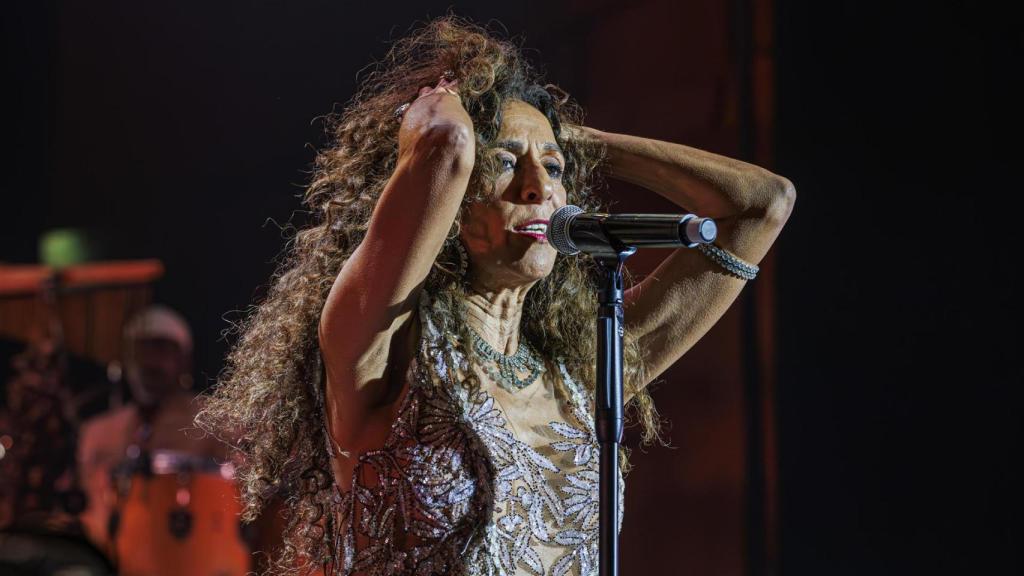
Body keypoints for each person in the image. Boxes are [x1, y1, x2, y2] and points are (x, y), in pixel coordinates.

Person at [198, 17, 795, 576]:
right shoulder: (384, 342)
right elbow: (446, 142)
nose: (537, 188)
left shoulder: (580, 375)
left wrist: (577, 140)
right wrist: (455, 101)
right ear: (451, 202)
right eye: (505, 163)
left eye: (555, 171)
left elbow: (763, 204)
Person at [77, 305, 222, 555]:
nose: (150, 362)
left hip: (189, 555)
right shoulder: (97, 431)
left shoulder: (215, 421)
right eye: (141, 350)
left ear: (184, 360)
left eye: (161, 350)